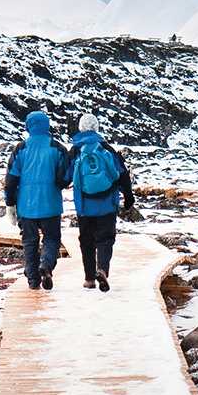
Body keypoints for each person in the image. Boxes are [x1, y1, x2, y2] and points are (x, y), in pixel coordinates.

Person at [64, 113, 135, 292]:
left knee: (86, 241)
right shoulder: (106, 148)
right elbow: (122, 174)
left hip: (85, 206)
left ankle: (89, 279)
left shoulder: (75, 150)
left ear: (80, 128)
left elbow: (64, 177)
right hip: (107, 204)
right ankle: (102, 269)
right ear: (97, 128)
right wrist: (128, 196)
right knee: (105, 239)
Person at [4, 110, 68, 291]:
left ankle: (33, 282)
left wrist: (10, 204)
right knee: (52, 239)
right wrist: (57, 184)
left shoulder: (20, 149)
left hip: (26, 205)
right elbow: (65, 176)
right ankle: (46, 265)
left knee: (30, 243)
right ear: (47, 126)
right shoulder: (57, 148)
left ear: (28, 126)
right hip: (51, 204)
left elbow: (11, 180)